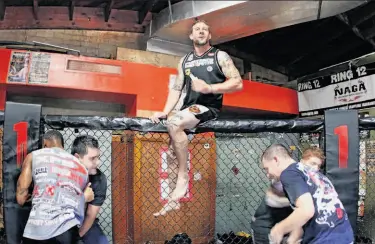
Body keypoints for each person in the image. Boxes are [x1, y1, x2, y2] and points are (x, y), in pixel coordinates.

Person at [150, 19, 243, 212]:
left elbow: (237, 83)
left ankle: (184, 176)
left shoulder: (219, 56)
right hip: (189, 109)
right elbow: (177, 89)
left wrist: (210, 88)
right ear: (191, 36)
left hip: (208, 107)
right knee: (171, 154)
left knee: (175, 123)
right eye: (197, 29)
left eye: (204, 30)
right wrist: (164, 111)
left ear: (209, 36)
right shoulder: (184, 60)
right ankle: (174, 198)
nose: (201, 31)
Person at [261, 144, 354, 244]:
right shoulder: (313, 173)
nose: (268, 174)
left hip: (326, 238)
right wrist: (293, 237)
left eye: (267, 169)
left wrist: (278, 229)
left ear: (276, 160)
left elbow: (306, 211)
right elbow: (308, 212)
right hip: (345, 235)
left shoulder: (289, 174)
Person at [16, 130, 96, 244]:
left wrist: (38, 196)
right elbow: (83, 204)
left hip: (37, 230)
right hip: (67, 230)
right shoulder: (81, 167)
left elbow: (21, 198)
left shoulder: (34, 156)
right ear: (62, 145)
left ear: (44, 143)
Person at [251, 147, 325, 244]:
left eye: (318, 166)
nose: (314, 168)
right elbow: (274, 200)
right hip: (266, 227)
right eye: (312, 163)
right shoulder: (289, 175)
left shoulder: (308, 178)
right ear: (302, 161)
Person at [71, 135, 108, 244]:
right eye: (92, 158)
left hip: (84, 221)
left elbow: (90, 215)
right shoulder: (63, 173)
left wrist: (77, 238)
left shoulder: (99, 178)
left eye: (98, 157)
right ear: (77, 158)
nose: (98, 162)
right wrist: (83, 198)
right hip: (62, 222)